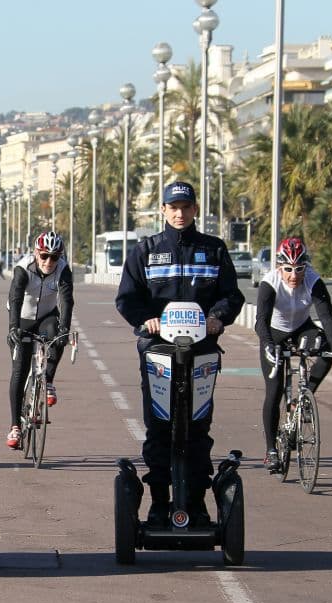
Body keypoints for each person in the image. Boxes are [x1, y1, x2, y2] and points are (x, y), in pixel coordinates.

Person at [115, 181, 244, 526]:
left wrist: (217, 317)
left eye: (186, 207)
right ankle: (159, 502)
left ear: (195, 209)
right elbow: (127, 298)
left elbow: (232, 295)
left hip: (201, 351)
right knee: (159, 427)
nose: (180, 213)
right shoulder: (146, 250)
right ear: (163, 210)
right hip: (158, 350)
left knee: (198, 428)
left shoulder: (214, 250)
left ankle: (197, 503)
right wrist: (146, 320)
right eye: (173, 207)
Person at [255, 237, 332, 472]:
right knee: (274, 390)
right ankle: (271, 451)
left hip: (302, 327)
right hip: (274, 333)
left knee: (327, 348)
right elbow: (260, 321)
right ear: (279, 267)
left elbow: (326, 317)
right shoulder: (270, 282)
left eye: (299, 269)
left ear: (306, 267)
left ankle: (302, 399)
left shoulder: (313, 281)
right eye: (288, 269)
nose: (294, 275)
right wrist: (268, 345)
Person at [5, 231, 74, 448]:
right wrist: (13, 328)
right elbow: (15, 299)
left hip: (46, 316)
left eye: (54, 257)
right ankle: (15, 426)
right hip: (22, 318)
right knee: (20, 370)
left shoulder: (62, 268)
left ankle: (49, 381)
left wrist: (65, 328)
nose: (49, 262)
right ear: (36, 253)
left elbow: (67, 300)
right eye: (44, 256)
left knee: (57, 334)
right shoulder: (23, 268)